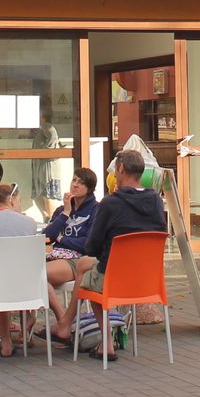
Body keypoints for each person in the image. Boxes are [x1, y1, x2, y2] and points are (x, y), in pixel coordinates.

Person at [0, 183, 72, 356]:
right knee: (19, 273)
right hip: (26, 287)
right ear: (11, 200)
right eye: (19, 199)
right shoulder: (28, 223)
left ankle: (6, 343)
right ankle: (27, 329)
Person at [80, 151, 168, 359]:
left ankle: (106, 342)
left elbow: (91, 247)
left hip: (113, 280)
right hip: (148, 282)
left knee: (86, 276)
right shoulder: (155, 200)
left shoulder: (110, 203)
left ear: (120, 169)